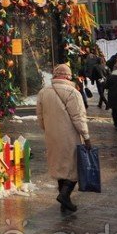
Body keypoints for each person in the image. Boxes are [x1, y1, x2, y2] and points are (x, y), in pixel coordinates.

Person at [36, 63, 92, 213]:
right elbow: (78, 117)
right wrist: (86, 136)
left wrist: (46, 129)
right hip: (69, 135)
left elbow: (40, 116)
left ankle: (64, 201)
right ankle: (65, 195)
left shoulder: (43, 92)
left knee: (60, 166)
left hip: (51, 134)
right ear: (68, 76)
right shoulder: (73, 93)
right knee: (73, 166)